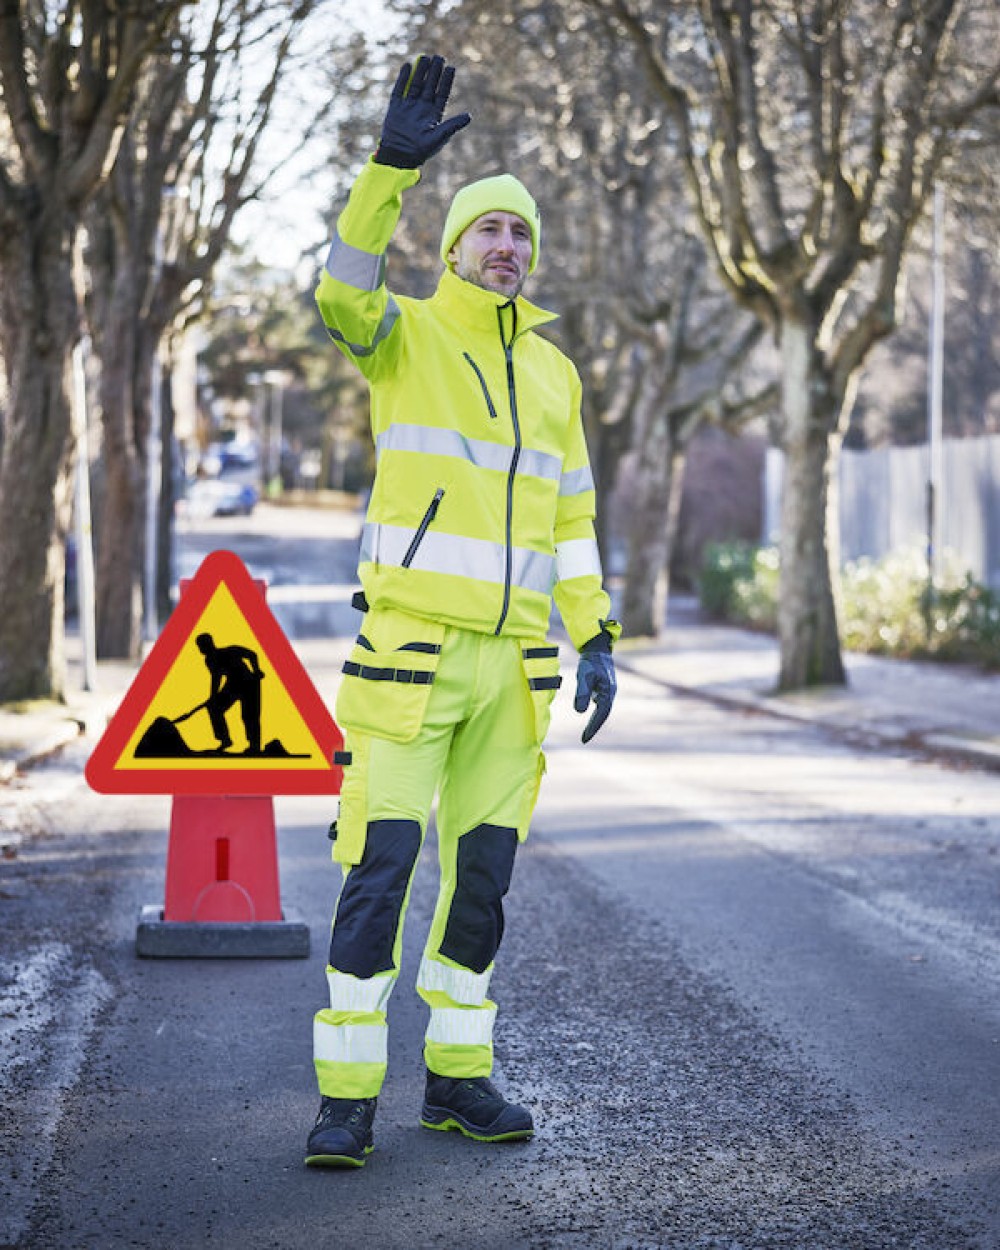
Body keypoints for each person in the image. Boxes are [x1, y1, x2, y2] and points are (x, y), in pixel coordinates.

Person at [306, 53, 619, 1169]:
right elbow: (339, 287)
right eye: (488, 230)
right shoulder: (402, 336)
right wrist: (387, 172)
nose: (506, 247)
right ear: (453, 250)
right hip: (408, 659)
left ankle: (456, 1078)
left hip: (513, 675)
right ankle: (346, 1097)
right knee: (379, 874)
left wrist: (593, 628)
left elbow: (571, 515)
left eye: (520, 236)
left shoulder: (556, 374)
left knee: (480, 887)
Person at [193, 633, 264, 755]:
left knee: (249, 716)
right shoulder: (209, 660)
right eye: (199, 646)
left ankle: (255, 746)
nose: (200, 649)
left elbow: (252, 654)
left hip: (249, 683)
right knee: (214, 708)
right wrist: (213, 697)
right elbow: (216, 678)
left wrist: (256, 670)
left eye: (201, 646)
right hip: (232, 685)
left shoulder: (231, 650)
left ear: (209, 644)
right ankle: (225, 740)